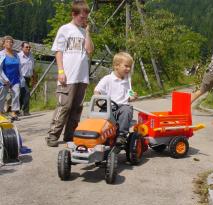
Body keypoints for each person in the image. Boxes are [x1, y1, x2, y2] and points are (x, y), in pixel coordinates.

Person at [46, 0, 94, 147]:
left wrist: (87, 31)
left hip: (82, 76)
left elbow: (90, 50)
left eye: (86, 18)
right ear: (74, 14)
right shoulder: (65, 29)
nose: (84, 20)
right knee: (64, 106)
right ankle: (52, 136)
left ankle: (70, 135)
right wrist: (61, 71)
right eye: (81, 17)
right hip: (68, 75)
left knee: (76, 108)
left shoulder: (83, 31)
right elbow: (58, 52)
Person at [94, 52, 138, 146]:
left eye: (129, 67)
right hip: (108, 108)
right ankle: (97, 135)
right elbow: (97, 91)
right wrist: (100, 100)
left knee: (127, 109)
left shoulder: (127, 80)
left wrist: (132, 96)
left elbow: (129, 93)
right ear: (116, 66)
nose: (128, 69)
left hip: (122, 107)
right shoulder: (107, 79)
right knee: (99, 117)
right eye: (126, 66)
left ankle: (121, 135)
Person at [0, 36, 23, 121]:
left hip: (15, 78)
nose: (9, 43)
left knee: (16, 94)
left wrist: (21, 77)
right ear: (4, 44)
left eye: (11, 42)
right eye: (7, 42)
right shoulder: (1, 54)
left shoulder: (16, 54)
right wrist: (4, 79)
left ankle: (14, 113)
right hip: (4, 79)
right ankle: (1, 113)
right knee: (2, 96)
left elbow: (19, 66)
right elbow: (0, 68)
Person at [18, 41, 36, 116]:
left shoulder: (31, 56)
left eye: (29, 47)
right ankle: (25, 111)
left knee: (22, 94)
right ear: (22, 48)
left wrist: (34, 79)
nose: (28, 48)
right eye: (26, 47)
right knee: (27, 92)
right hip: (21, 77)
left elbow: (33, 69)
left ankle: (16, 110)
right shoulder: (18, 56)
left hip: (28, 77)